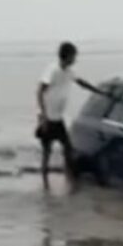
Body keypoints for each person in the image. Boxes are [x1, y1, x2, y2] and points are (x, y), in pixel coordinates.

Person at [36, 41, 105, 187]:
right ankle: (45, 184)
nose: (75, 59)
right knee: (47, 152)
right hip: (48, 118)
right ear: (67, 56)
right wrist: (43, 117)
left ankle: (69, 178)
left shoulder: (69, 71)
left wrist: (99, 91)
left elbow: (81, 83)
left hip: (58, 118)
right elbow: (40, 91)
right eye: (74, 56)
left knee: (67, 148)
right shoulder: (52, 70)